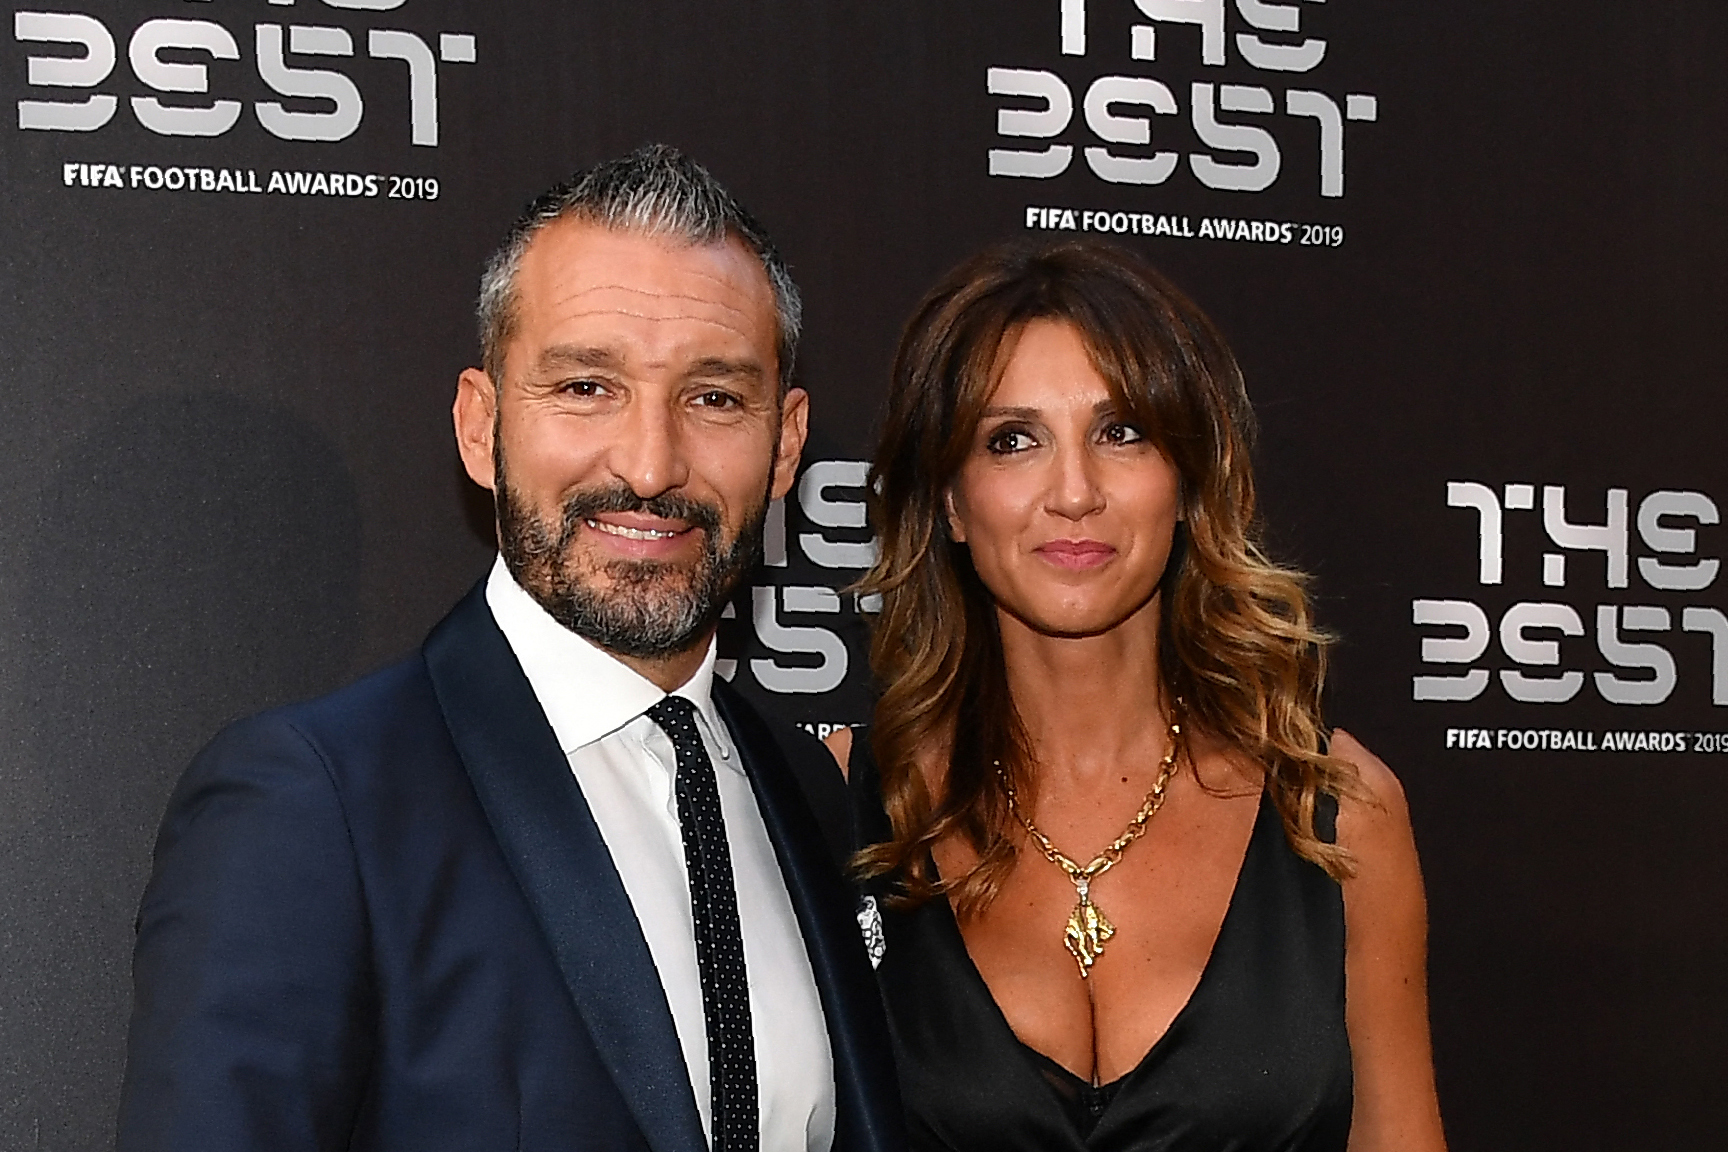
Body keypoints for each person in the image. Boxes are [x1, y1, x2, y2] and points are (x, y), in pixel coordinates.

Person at [118, 145, 902, 1152]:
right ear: (480, 426)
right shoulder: (314, 804)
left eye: (713, 398)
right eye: (586, 386)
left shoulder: (804, 786)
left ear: (786, 443)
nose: (650, 465)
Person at [825, 240, 1446, 1151]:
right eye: (1012, 440)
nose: (1074, 492)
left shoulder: (1338, 815)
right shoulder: (839, 807)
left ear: (1187, 482)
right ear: (951, 502)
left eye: (1122, 433)